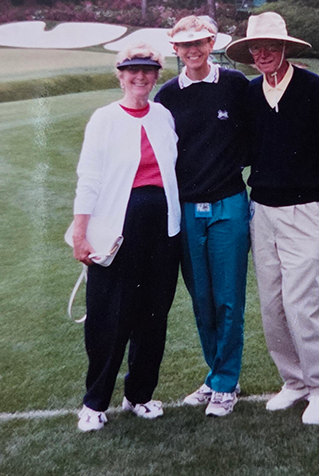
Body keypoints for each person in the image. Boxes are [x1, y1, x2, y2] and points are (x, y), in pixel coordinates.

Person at [226, 12, 319, 426]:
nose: (262, 54)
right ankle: (294, 381)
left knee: (302, 301)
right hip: (261, 210)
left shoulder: (313, 88)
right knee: (272, 304)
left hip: (304, 210)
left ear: (285, 49)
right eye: (256, 49)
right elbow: (243, 149)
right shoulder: (249, 93)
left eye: (271, 47)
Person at [71, 44, 182, 432]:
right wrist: (80, 232)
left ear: (156, 76)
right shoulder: (104, 120)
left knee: (153, 315)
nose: (140, 77)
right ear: (120, 75)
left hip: (163, 228)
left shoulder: (164, 116)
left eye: (148, 71)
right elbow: (90, 178)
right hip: (117, 229)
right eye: (132, 70)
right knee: (109, 317)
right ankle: (94, 402)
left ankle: (140, 395)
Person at [154, 16, 250, 418]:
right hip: (187, 210)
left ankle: (226, 383)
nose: (192, 50)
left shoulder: (234, 85)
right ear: (175, 49)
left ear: (212, 44)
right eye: (184, 45)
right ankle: (217, 374)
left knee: (229, 298)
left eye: (199, 43)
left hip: (229, 204)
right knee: (203, 301)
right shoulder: (166, 97)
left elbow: (254, 139)